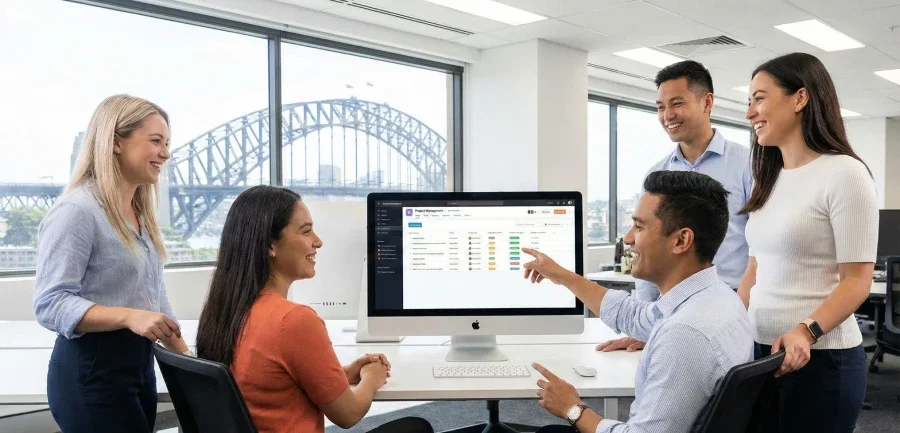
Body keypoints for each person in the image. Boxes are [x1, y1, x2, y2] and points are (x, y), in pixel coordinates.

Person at [523, 170, 754, 433]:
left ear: (681, 240)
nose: (628, 238)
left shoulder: (685, 334)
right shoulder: (719, 298)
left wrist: (573, 409)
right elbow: (632, 315)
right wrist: (563, 276)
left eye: (639, 226)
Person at [195, 185, 433, 433]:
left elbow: (263, 378)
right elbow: (348, 414)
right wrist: (373, 377)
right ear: (270, 246)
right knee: (415, 428)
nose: (317, 241)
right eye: (306, 231)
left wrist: (340, 374)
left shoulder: (223, 310)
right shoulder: (294, 321)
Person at [33, 94, 190, 433]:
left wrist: (191, 366)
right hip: (91, 372)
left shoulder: (141, 215)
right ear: (116, 142)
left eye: (167, 143)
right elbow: (50, 304)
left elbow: (153, 297)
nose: (165, 152)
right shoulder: (77, 211)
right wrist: (129, 316)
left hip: (138, 367)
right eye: (156, 141)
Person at [738, 52, 877, 433]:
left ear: (800, 99)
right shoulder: (767, 177)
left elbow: (857, 280)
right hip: (759, 354)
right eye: (748, 102)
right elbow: (755, 268)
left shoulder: (845, 174)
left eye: (760, 98)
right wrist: (730, 324)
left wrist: (807, 330)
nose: (750, 113)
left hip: (821, 358)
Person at [599, 60, 752, 354]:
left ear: (707, 102)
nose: (667, 115)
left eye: (676, 104)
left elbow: (762, 248)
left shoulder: (748, 165)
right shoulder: (657, 176)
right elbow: (646, 246)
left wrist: (739, 312)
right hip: (673, 308)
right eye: (660, 107)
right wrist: (645, 324)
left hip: (730, 305)